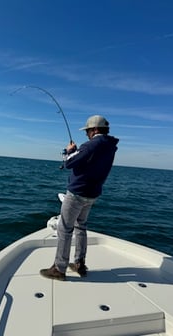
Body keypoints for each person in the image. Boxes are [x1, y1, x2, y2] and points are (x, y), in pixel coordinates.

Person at [40, 115, 119, 280]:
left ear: (95, 130)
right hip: (92, 193)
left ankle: (59, 268)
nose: (86, 134)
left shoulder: (92, 144)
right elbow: (88, 161)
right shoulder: (110, 146)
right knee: (81, 227)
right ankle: (79, 263)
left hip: (77, 193)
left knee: (64, 229)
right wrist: (77, 152)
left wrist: (69, 151)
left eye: (88, 131)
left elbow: (69, 163)